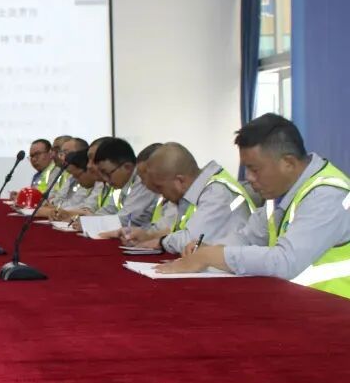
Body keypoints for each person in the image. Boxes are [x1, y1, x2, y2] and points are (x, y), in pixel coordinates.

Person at [156, 114, 350, 299]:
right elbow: (248, 237)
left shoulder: (327, 194)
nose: (248, 178)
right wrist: (210, 248)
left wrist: (212, 255)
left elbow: (285, 261)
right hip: (298, 304)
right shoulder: (280, 193)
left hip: (336, 309)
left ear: (288, 163)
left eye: (254, 169)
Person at [121, 142, 252, 252]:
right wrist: (149, 236)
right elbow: (178, 231)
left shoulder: (216, 192)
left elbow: (191, 239)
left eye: (160, 187)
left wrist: (160, 242)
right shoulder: (194, 192)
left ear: (179, 181)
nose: (161, 194)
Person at [93, 138, 160, 227]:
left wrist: (91, 222)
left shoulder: (142, 180)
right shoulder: (122, 184)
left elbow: (126, 219)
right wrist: (89, 220)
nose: (105, 179)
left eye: (107, 173)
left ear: (127, 167)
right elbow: (110, 209)